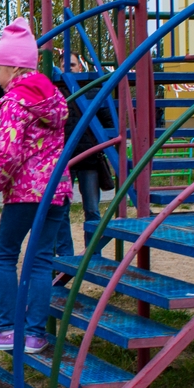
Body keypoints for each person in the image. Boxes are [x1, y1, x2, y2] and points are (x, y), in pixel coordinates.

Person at [0, 17, 72, 355]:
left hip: (24, 193)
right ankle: (34, 334)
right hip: (56, 191)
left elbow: (8, 152)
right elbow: (16, 125)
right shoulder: (50, 98)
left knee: (6, 255)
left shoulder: (14, 100)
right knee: (39, 260)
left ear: (13, 68)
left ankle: (7, 328)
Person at [59, 52, 114, 257]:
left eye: (72, 65)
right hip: (63, 160)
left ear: (80, 68)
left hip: (89, 158)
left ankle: (93, 253)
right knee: (61, 209)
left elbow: (109, 124)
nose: (68, 69)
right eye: (64, 65)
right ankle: (65, 255)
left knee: (91, 208)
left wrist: (102, 146)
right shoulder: (57, 92)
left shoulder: (92, 91)